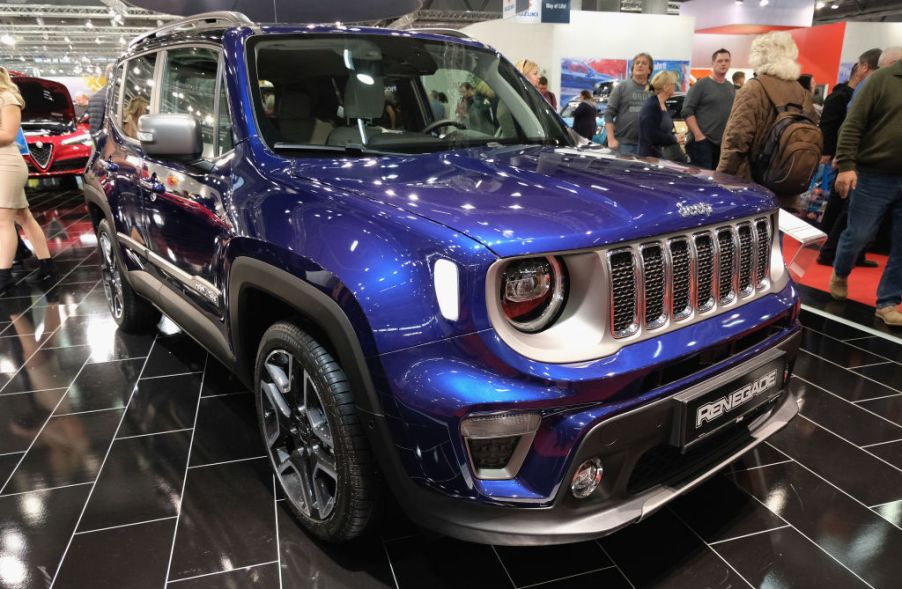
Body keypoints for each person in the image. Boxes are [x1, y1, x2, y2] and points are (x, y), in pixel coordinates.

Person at [829, 57, 902, 326]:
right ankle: (840, 271)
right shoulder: (881, 80)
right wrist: (846, 164)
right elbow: (853, 123)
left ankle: (888, 302)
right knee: (859, 234)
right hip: (873, 174)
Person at [717, 32, 818, 210]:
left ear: (758, 56)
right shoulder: (802, 92)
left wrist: (722, 179)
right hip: (788, 182)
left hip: (752, 187)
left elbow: (736, 140)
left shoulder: (754, 88)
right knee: (778, 234)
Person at [816, 49, 882, 268]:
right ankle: (827, 247)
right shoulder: (842, 96)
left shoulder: (862, 92)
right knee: (841, 206)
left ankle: (834, 248)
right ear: (864, 68)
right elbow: (835, 126)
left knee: (842, 205)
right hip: (846, 160)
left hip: (848, 159)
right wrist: (832, 154)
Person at [0, 66, 56, 293]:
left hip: (7, 163)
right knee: (23, 216)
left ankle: (3, 277)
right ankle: (47, 265)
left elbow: (9, 135)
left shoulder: (7, 98)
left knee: (3, 220)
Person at [682, 49, 735, 169]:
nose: (723, 64)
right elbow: (686, 111)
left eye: (726, 61)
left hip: (721, 145)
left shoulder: (730, 87)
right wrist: (698, 135)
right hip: (702, 143)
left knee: (718, 180)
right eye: (720, 61)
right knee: (703, 181)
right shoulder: (701, 85)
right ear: (713, 63)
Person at [604, 53, 653, 155]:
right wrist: (611, 139)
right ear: (633, 68)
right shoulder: (622, 87)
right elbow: (608, 113)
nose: (640, 65)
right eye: (637, 63)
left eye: (644, 63)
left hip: (647, 146)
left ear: (649, 70)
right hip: (623, 145)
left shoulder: (653, 90)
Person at [638, 71, 684, 159]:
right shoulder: (652, 106)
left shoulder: (662, 104)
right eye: (673, 84)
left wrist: (675, 136)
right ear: (666, 87)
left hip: (659, 156)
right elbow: (651, 135)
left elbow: (663, 131)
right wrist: (674, 139)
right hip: (650, 157)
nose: (675, 86)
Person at [86, 64, 113, 134]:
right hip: (109, 141)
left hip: (97, 138)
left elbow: (93, 125)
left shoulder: (94, 97)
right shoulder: (115, 97)